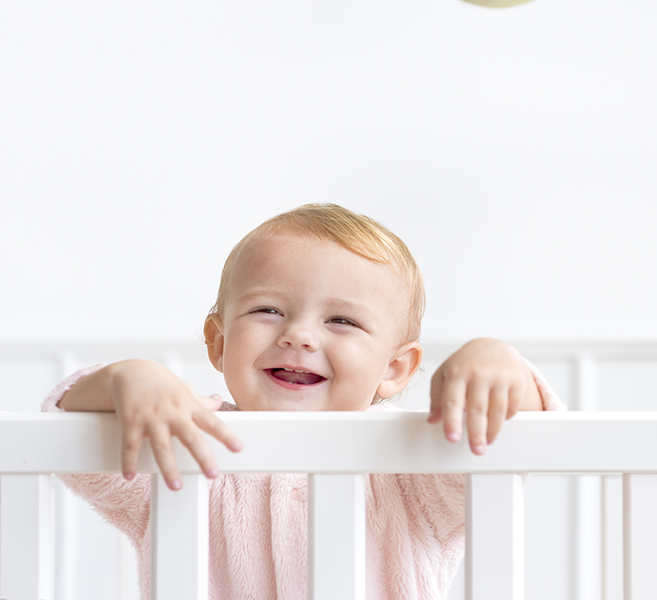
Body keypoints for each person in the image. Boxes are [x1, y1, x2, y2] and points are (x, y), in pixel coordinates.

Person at [42, 202, 564, 600]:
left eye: (341, 320)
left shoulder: (410, 461)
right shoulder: (182, 436)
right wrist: (128, 380)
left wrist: (496, 360)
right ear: (219, 343)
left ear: (395, 368)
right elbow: (64, 431)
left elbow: (516, 432)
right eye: (268, 310)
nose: (300, 336)